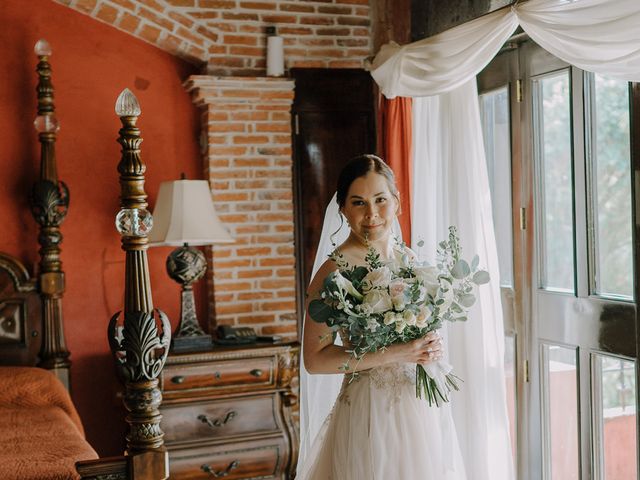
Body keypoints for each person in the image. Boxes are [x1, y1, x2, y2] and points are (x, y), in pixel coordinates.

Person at [298, 154, 467, 480]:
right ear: (343, 209)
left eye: (380, 200)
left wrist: (428, 344)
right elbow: (315, 360)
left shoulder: (409, 258)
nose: (372, 214)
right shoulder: (335, 272)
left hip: (418, 405)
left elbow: (417, 326)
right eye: (358, 202)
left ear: (397, 202)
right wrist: (397, 352)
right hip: (371, 410)